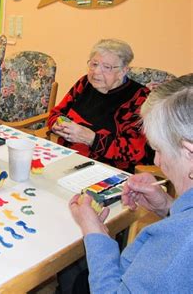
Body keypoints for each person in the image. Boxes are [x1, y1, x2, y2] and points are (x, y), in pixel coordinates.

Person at [69, 73, 193, 292]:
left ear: (189, 152)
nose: (156, 161)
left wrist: (94, 231)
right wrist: (167, 206)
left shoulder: (182, 242)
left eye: (158, 149)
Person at [48, 39, 153, 172]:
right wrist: (56, 125)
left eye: (106, 67)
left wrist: (92, 139)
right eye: (94, 64)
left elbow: (134, 150)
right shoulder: (84, 83)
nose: (96, 71)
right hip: (67, 158)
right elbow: (56, 113)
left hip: (108, 169)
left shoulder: (140, 98)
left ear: (123, 71)